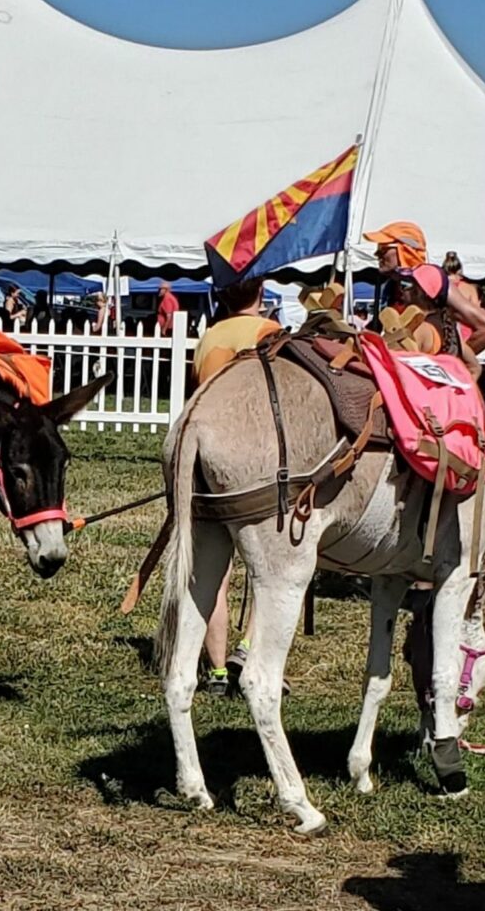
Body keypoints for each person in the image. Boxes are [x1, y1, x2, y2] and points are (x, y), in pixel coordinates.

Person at [189, 277, 285, 694]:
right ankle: (248, 651)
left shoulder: (209, 338)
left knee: (216, 570)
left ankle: (215, 670)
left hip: (210, 452)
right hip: (260, 454)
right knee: (270, 569)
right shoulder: (271, 333)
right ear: (260, 296)